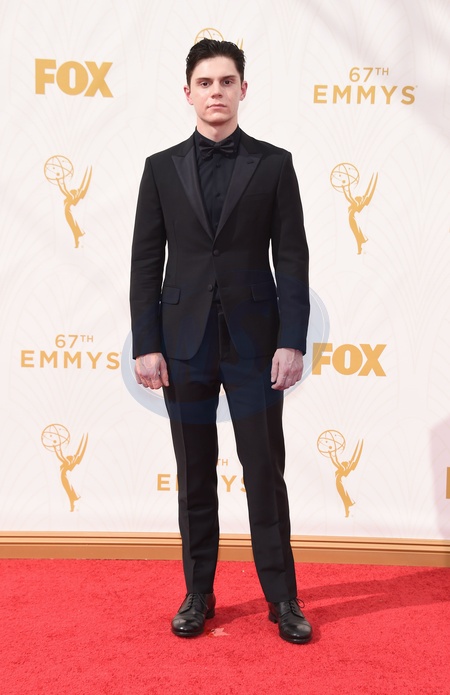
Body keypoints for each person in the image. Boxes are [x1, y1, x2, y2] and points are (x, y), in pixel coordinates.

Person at [130, 38, 311, 644]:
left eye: (226, 81)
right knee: (194, 472)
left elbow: (292, 258)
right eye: (205, 83)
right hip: (182, 344)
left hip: (256, 345)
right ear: (188, 93)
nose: (216, 92)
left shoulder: (275, 164)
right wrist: (146, 343)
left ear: (243, 89)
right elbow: (145, 262)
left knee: (264, 472)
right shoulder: (159, 168)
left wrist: (292, 340)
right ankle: (198, 593)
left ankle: (282, 598)